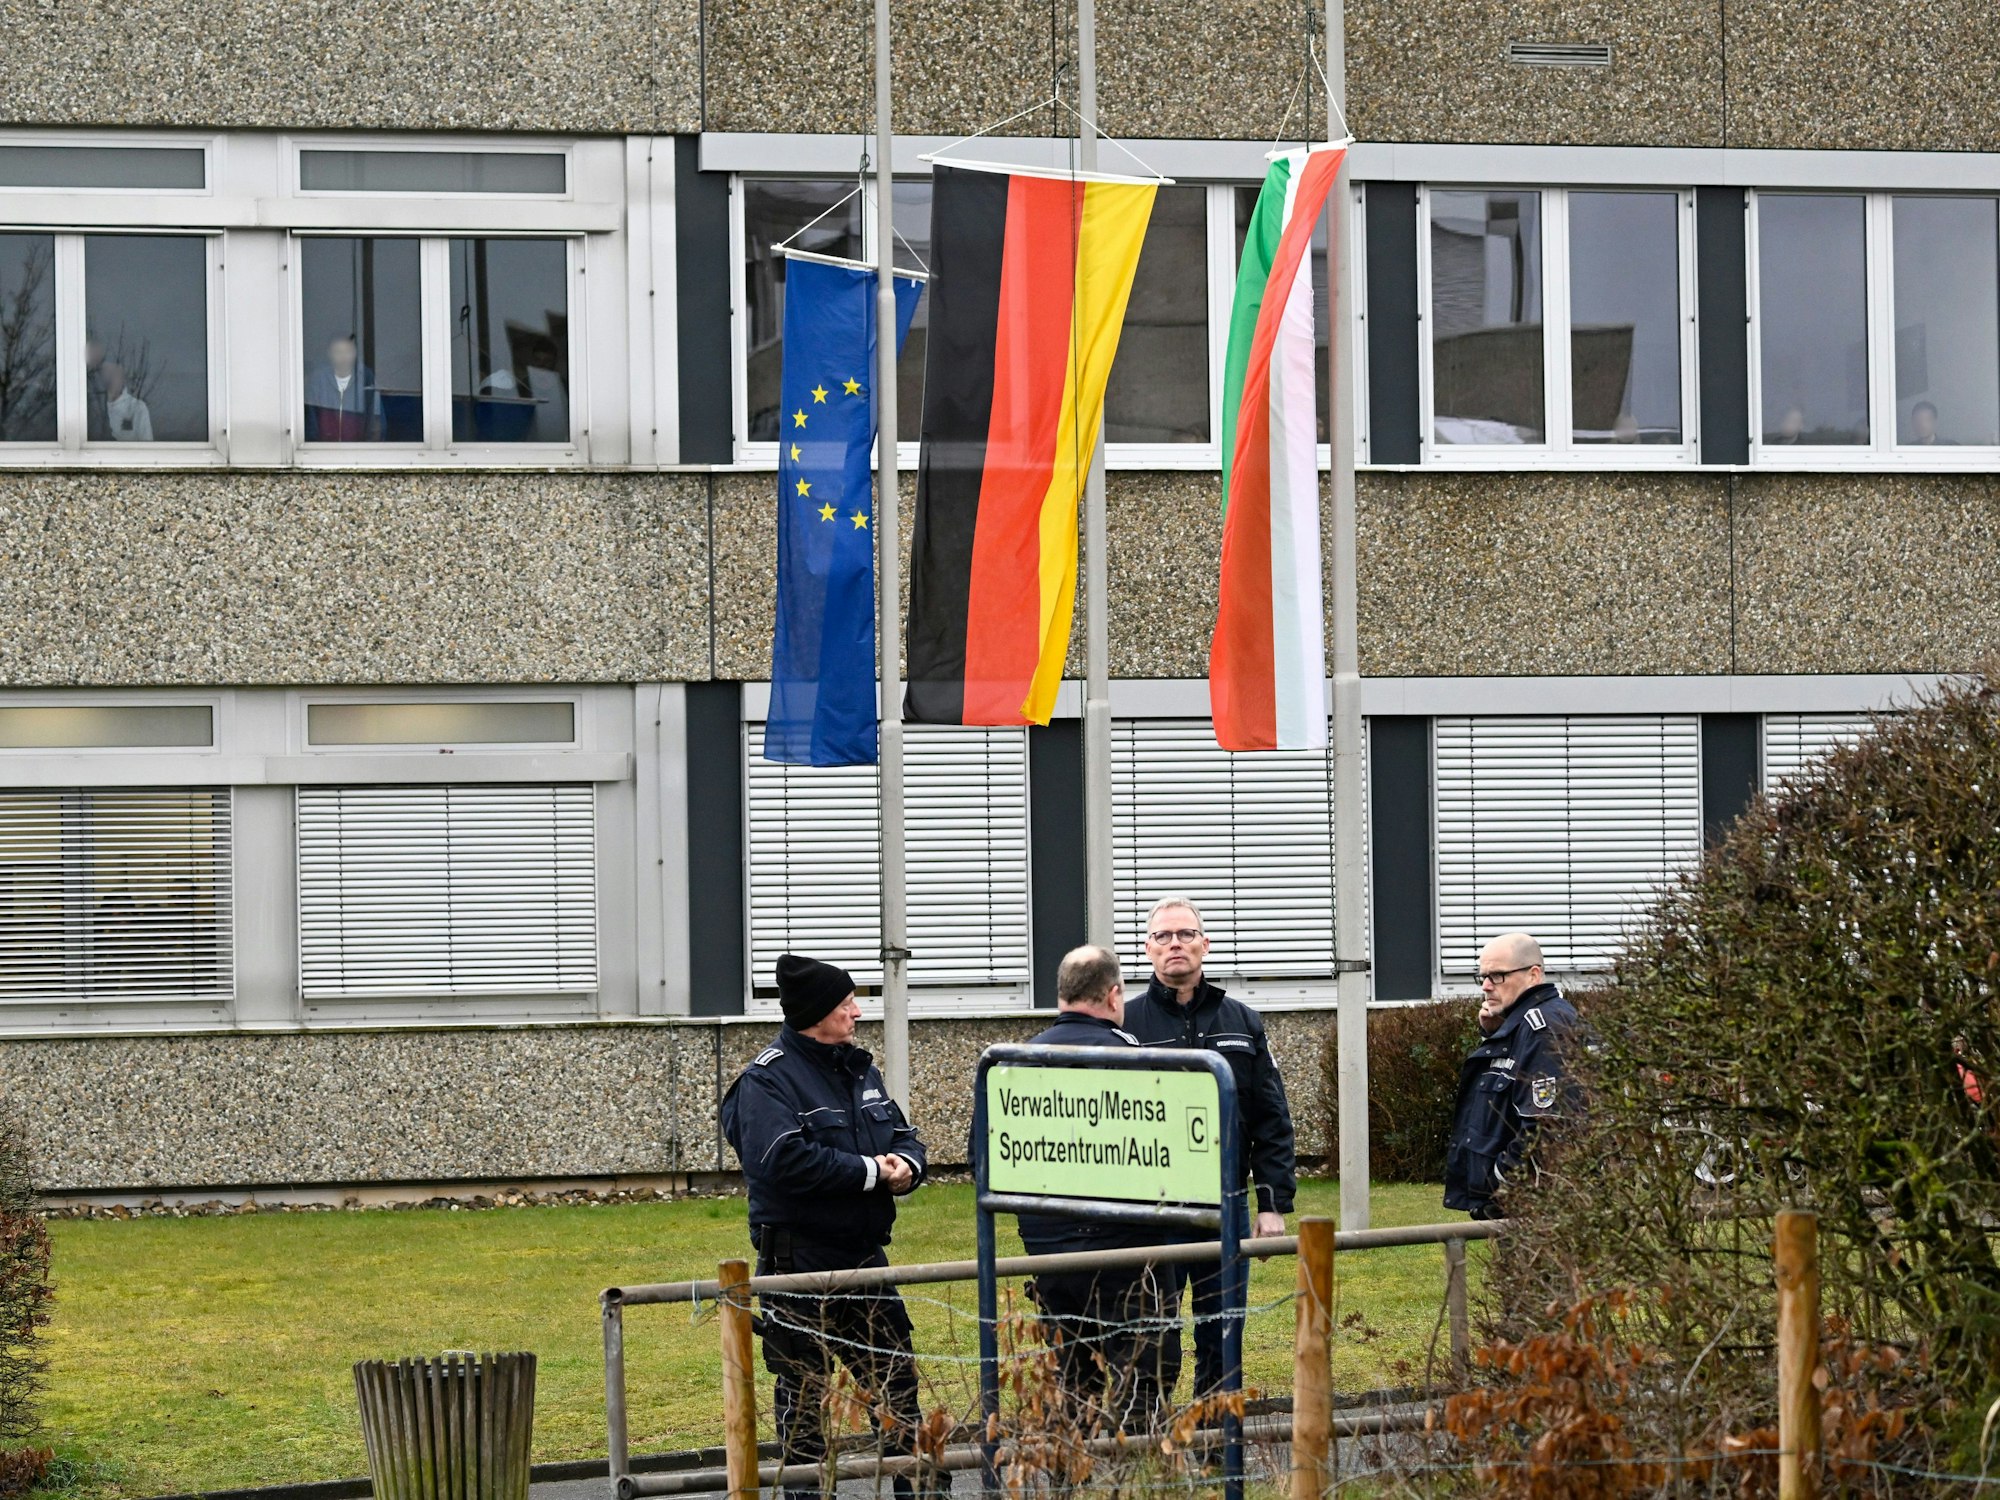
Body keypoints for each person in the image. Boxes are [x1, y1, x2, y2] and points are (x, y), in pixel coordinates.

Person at [720, 954, 939, 1500]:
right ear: (816, 1013)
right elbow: (781, 1161)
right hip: (799, 1268)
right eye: (845, 1004)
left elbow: (903, 1134)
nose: (857, 1012)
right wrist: (870, 1172)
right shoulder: (766, 1082)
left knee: (899, 1392)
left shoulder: (858, 1068)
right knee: (805, 1408)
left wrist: (907, 1167)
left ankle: (922, 1493)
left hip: (865, 1260)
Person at [1122, 896, 1296, 1401]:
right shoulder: (1126, 1025)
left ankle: (1217, 1440)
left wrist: (1271, 1204)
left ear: (1205, 944)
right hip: (1151, 1208)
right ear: (1148, 950)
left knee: (1223, 1331)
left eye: (1185, 935)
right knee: (1152, 1331)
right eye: (1163, 937)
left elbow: (1271, 1119)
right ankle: (1150, 1440)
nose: (1175, 944)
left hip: (1226, 1204)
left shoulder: (1241, 1020)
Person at [1010, 944, 1173, 1432]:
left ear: (1061, 994)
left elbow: (990, 1157)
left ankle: (1066, 1481)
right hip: (1128, 1256)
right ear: (1115, 995)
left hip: (1051, 1259)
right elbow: (1167, 1157)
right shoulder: (1137, 1061)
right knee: (1141, 1389)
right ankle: (1138, 1482)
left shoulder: (1015, 1064)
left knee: (1071, 1388)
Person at [1443, 933, 1582, 1220]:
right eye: (1482, 976)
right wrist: (1496, 1033)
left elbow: (1546, 1126)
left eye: (1497, 976)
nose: (1486, 986)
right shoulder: (1521, 1025)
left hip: (1536, 1209)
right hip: (1522, 1205)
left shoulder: (1544, 1028)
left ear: (1533, 975)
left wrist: (1500, 1182)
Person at [303, 335, 385, 442]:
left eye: (348, 351)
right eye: (338, 352)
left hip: (359, 453)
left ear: (355, 353)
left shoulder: (366, 377)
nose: (344, 357)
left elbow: (376, 422)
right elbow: (311, 421)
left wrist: (368, 451)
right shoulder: (319, 379)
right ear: (329, 354)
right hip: (323, 452)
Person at [103, 363, 153, 442]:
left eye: (115, 374)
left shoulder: (137, 408)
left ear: (123, 379)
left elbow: (147, 446)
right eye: (107, 373)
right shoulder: (90, 406)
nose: (110, 378)